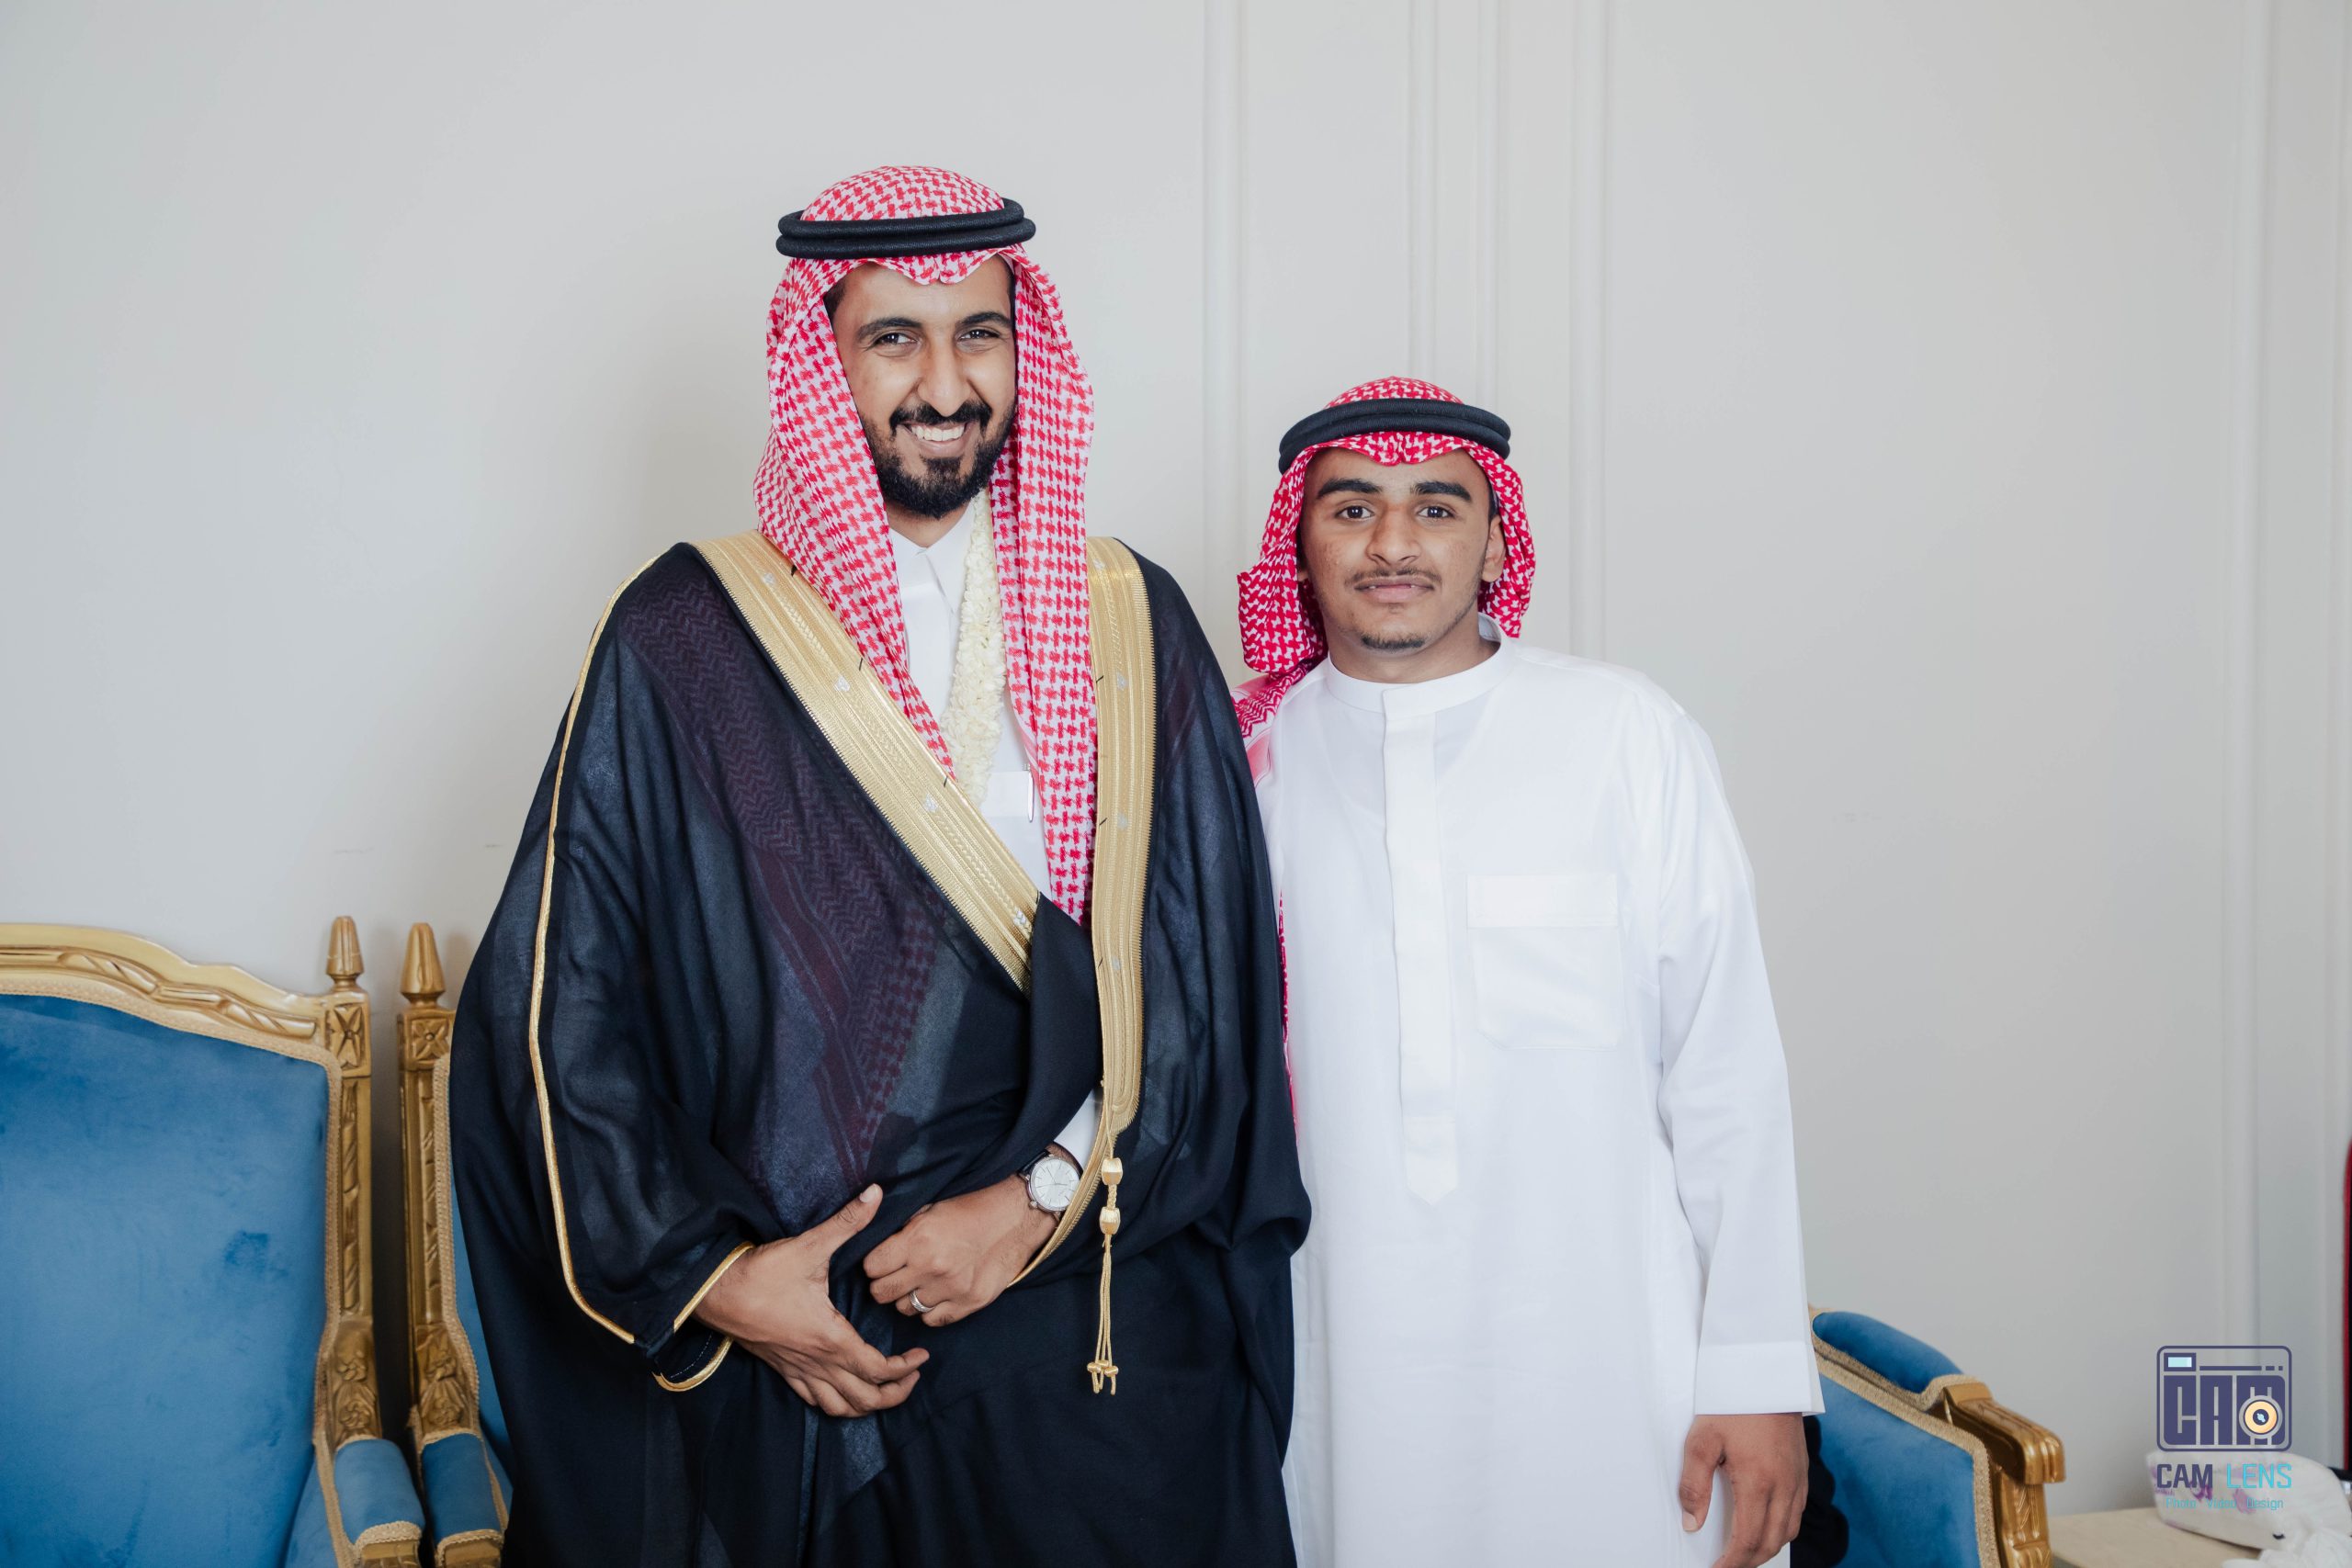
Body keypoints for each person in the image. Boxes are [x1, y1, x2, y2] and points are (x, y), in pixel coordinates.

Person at [451, 165, 1306, 1566]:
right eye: (893, 338)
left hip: (1090, 1295)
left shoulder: (1131, 624)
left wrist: (1033, 1205)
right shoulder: (688, 637)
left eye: (980, 334)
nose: (944, 384)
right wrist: (718, 1284)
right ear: (822, 357)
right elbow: (559, 1011)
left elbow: (1205, 995)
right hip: (818, 1345)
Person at [1236, 378, 1822, 1568]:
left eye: (1436, 507)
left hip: (1617, 1367)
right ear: (1299, 539)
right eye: (1352, 508)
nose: (1393, 543)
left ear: (1495, 538)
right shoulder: (1243, 765)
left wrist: (1759, 1376)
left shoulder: (1624, 737)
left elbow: (1726, 1077)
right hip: (1342, 1373)